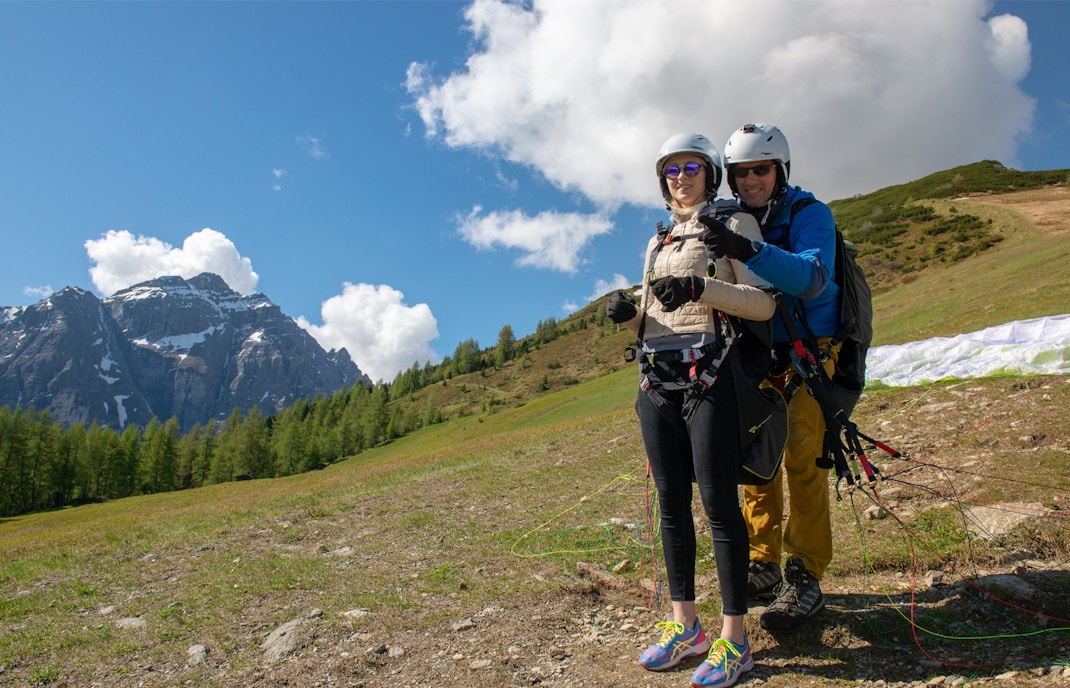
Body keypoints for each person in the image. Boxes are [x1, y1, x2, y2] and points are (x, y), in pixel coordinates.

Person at [606, 132, 775, 687]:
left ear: (709, 173)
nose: (681, 176)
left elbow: (763, 302)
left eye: (691, 166)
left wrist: (700, 287)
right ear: (663, 179)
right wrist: (630, 316)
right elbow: (658, 318)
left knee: (719, 504)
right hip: (655, 379)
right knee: (671, 505)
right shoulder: (656, 242)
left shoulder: (732, 227)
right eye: (671, 169)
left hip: (711, 375)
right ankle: (686, 627)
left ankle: (735, 641)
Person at [701, 122, 841, 633]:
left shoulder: (810, 215)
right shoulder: (730, 219)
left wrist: (750, 251)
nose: (752, 180)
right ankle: (762, 561)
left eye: (761, 169)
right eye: (741, 172)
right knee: (757, 463)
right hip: (755, 360)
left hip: (809, 356)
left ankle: (804, 573)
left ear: (780, 169)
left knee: (804, 459)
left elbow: (811, 277)